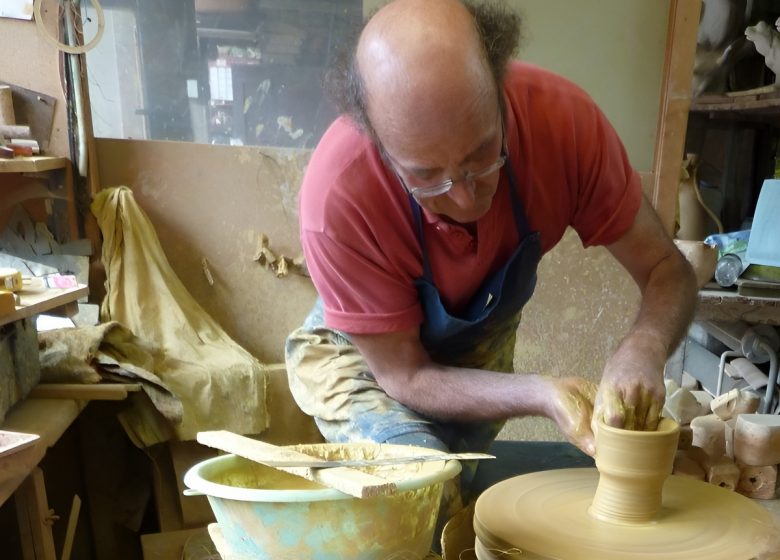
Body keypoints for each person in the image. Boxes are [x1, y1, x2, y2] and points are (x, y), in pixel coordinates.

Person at [285, 0, 697, 511]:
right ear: (377, 142)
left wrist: (645, 347)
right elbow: (404, 374)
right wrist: (541, 394)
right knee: (422, 496)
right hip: (364, 358)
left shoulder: (563, 124)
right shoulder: (338, 196)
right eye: (426, 176)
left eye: (482, 155)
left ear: (499, 82)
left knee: (465, 497)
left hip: (475, 350)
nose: (464, 198)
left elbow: (666, 269)